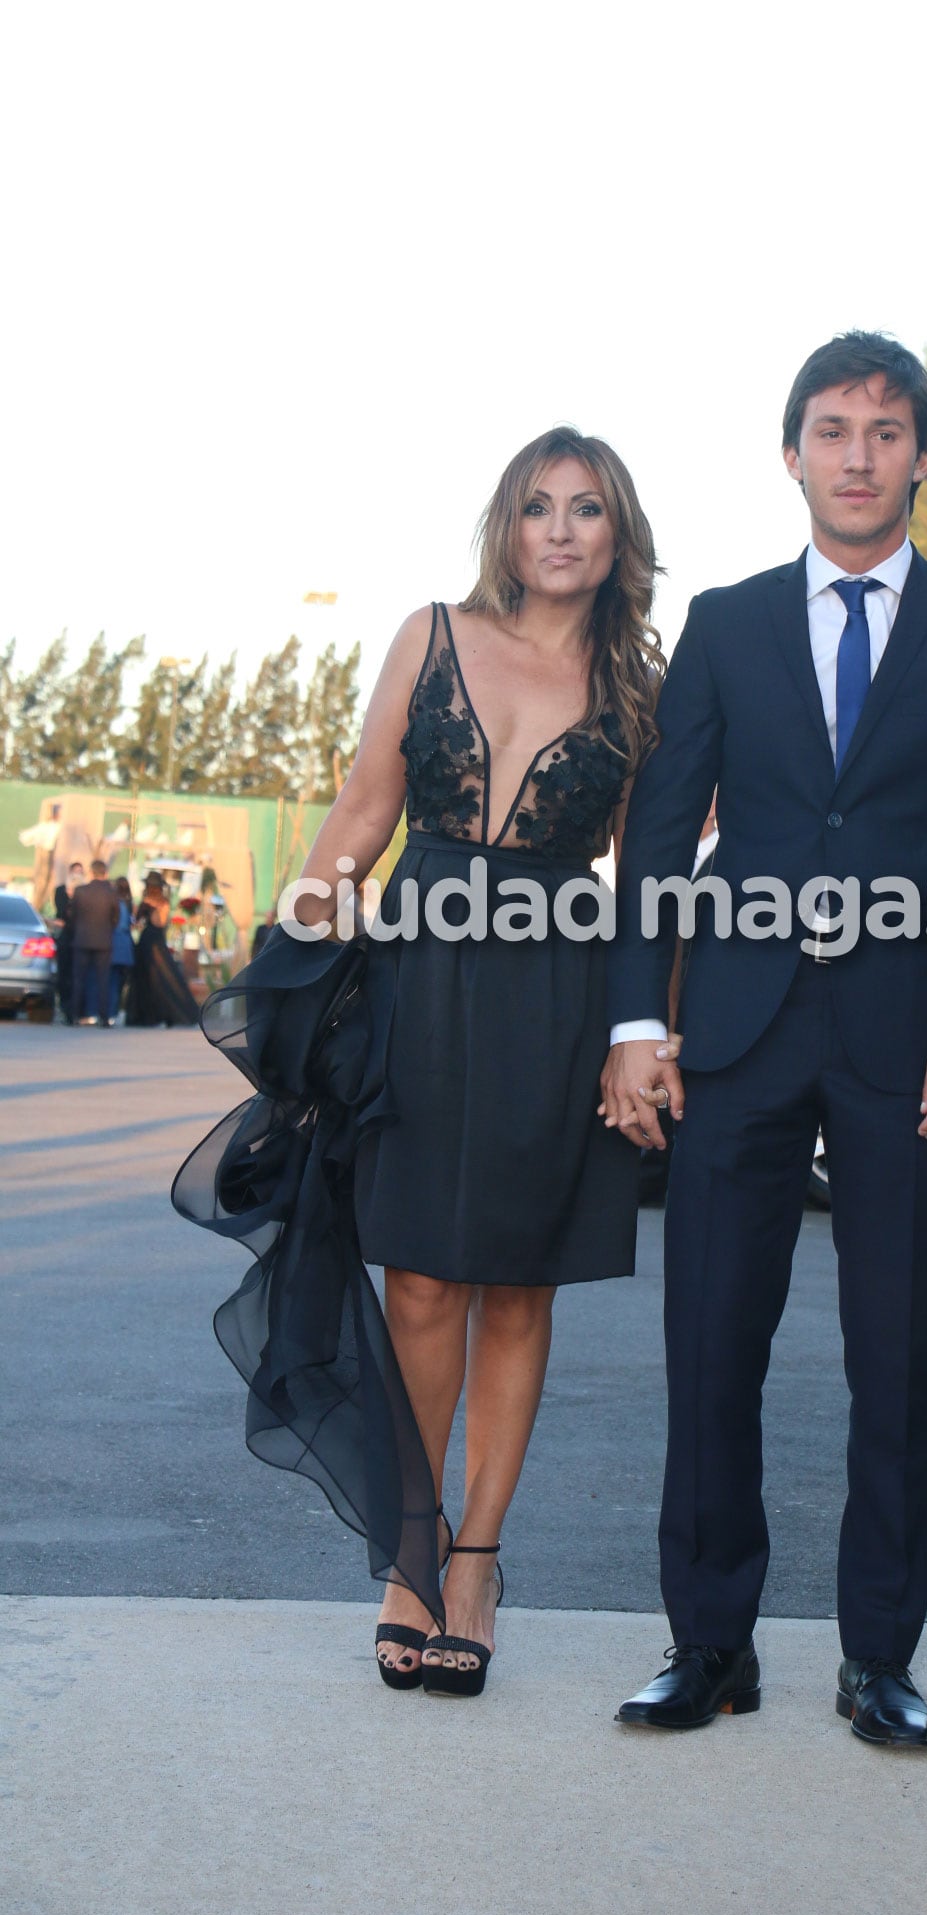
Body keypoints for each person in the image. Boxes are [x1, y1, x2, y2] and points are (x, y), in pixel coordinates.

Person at [602, 331, 927, 1746]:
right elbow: (662, 843)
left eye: (883, 430)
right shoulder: (730, 627)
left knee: (893, 1357)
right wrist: (637, 1020)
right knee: (709, 1346)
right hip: (736, 1037)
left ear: (923, 454)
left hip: (906, 1046)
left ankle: (878, 1660)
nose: (858, 454)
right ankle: (710, 1645)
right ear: (790, 452)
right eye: (832, 429)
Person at [173, 428, 661, 1696]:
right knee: (424, 1285)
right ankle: (412, 1543)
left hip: (557, 996)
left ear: (618, 538)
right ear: (507, 526)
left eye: (588, 510)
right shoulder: (430, 633)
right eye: (539, 507)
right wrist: (290, 973)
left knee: (517, 1285)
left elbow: (658, 871)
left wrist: (646, 1028)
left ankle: (479, 1559)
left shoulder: (638, 688)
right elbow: (360, 811)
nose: (560, 529)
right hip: (420, 987)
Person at [127, 872, 200, 1027]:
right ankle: (174, 1013)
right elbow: (162, 923)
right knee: (167, 976)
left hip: (147, 940)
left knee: (146, 978)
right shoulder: (165, 903)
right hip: (158, 940)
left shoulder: (146, 902)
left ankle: (147, 1015)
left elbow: (137, 922)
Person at [68, 860, 120, 1026]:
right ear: (105, 873)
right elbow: (116, 917)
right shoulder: (111, 892)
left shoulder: (80, 891)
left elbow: (73, 915)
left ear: (91, 872)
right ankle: (103, 1018)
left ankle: (74, 1015)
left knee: (78, 979)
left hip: (82, 939)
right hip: (103, 940)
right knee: (103, 980)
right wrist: (107, 929)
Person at [52, 862, 83, 1023]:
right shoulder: (61, 891)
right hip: (66, 939)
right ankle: (66, 1006)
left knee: (75, 975)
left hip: (79, 940)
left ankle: (73, 1009)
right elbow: (61, 913)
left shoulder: (85, 896)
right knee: (64, 974)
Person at [107, 877, 136, 1023]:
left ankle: (109, 1011)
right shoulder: (128, 904)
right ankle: (113, 1010)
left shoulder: (115, 904)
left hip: (112, 944)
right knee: (118, 981)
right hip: (124, 946)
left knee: (110, 979)